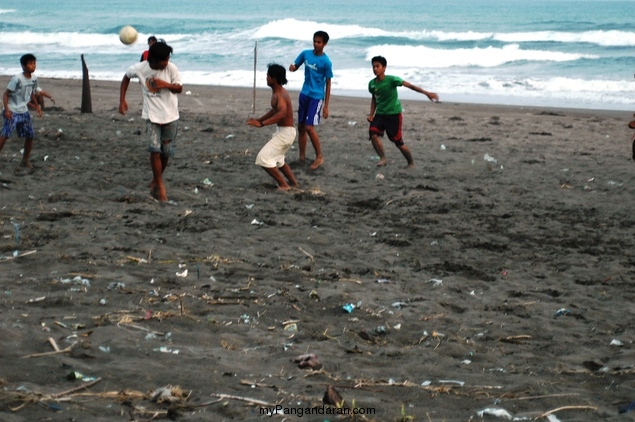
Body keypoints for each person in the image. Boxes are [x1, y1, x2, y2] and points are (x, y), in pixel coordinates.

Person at [119, 41, 182, 203]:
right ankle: (160, 186)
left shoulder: (171, 68)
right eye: (164, 61)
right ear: (152, 61)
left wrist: (165, 84)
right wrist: (122, 101)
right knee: (155, 150)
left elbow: (179, 88)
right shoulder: (140, 68)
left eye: (168, 59)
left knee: (166, 152)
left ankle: (155, 179)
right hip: (152, 116)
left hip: (170, 115)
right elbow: (126, 78)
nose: (167, 63)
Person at [367, 55, 439, 168]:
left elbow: (411, 86)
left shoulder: (392, 80)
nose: (375, 69)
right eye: (373, 67)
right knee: (373, 133)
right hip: (380, 115)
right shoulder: (372, 84)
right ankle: (383, 158)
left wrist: (427, 93)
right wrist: (371, 114)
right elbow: (374, 98)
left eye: (378, 66)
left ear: (384, 68)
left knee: (399, 143)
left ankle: (410, 163)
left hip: (393, 115)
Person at [247, 63, 299, 191]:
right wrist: (258, 120)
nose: (266, 78)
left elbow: (282, 113)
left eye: (268, 76)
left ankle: (284, 185)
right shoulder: (278, 92)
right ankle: (294, 184)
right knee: (279, 160)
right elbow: (275, 111)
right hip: (286, 132)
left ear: (274, 78)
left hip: (285, 133)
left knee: (263, 158)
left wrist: (263, 124)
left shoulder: (279, 94)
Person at [289, 30, 332, 170]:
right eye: (314, 41)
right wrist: (293, 68)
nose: (316, 44)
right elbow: (296, 66)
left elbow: (328, 83)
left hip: (316, 96)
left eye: (319, 42)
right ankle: (302, 157)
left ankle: (319, 156)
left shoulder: (326, 62)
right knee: (301, 126)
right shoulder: (305, 54)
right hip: (305, 94)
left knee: (309, 127)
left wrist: (326, 106)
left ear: (324, 44)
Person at [0, 53, 43, 169]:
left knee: (30, 135)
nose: (33, 66)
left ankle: (25, 160)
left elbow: (32, 93)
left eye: (34, 63)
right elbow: (6, 94)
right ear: (23, 66)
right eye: (30, 64)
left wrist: (37, 106)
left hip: (24, 111)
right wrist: (7, 109)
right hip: (12, 110)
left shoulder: (34, 78)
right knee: (6, 134)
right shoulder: (17, 78)